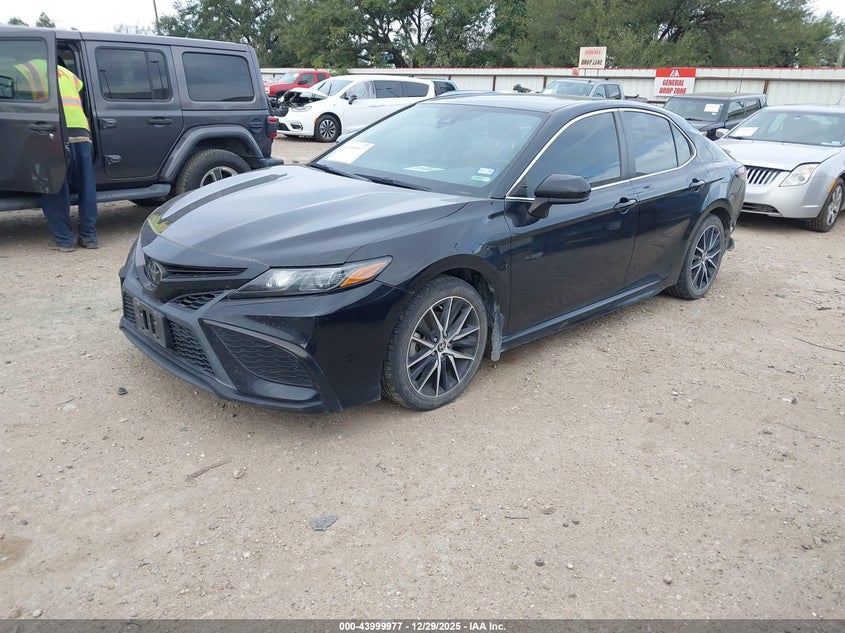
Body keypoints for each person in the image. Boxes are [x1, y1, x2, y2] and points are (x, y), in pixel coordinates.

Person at [16, 59, 99, 252]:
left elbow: (19, 102)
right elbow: (79, 91)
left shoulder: (25, 69)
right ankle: (90, 237)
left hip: (54, 132)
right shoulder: (66, 72)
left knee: (55, 187)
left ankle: (63, 241)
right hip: (81, 131)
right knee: (87, 187)